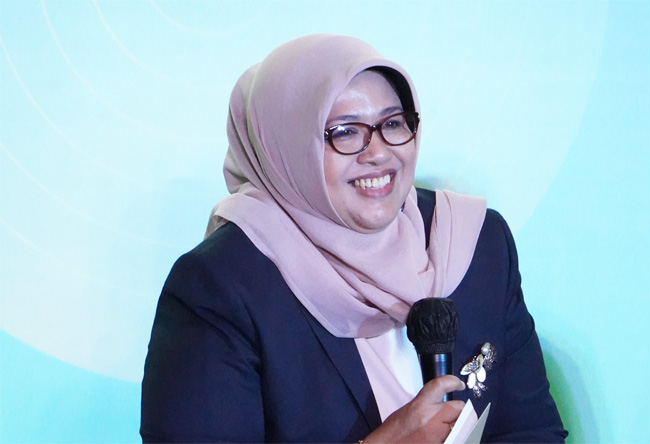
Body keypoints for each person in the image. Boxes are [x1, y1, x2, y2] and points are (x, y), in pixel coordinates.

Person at [140, 34, 567, 443]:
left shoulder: (474, 242)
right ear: (287, 148)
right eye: (344, 131)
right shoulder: (221, 287)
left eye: (393, 123)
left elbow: (530, 430)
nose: (378, 152)